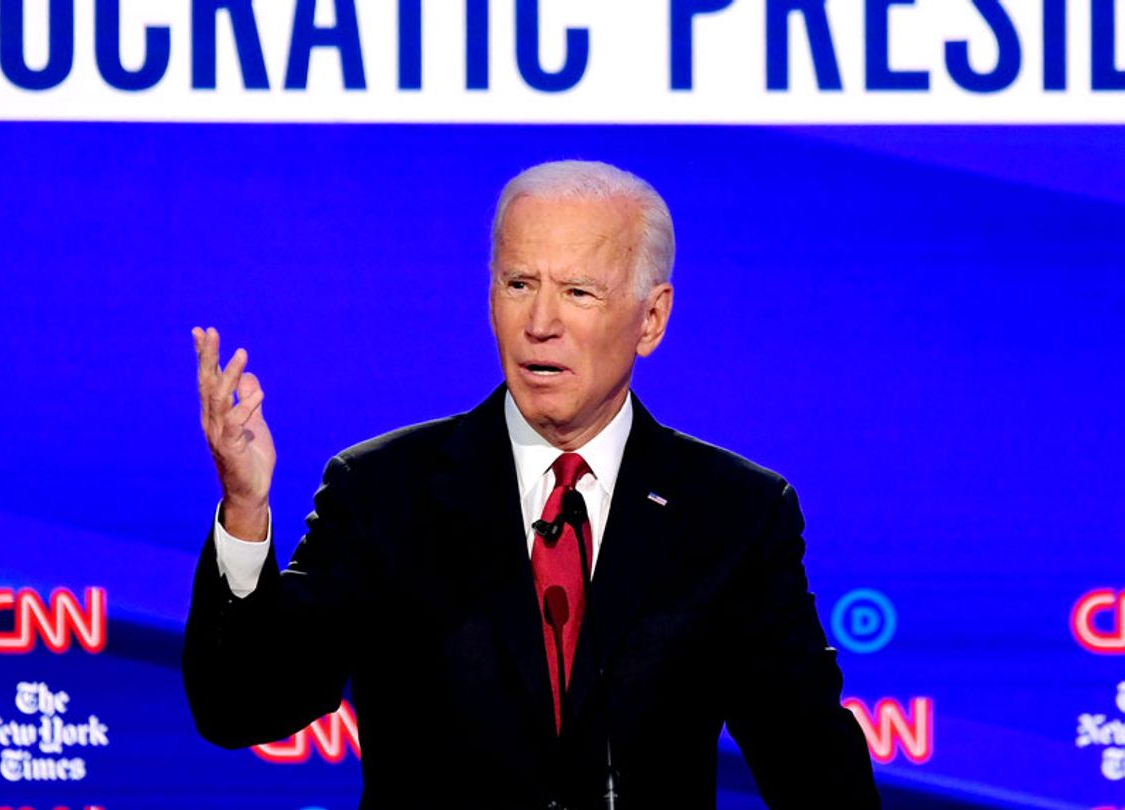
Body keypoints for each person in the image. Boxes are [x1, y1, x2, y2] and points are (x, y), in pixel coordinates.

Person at [183, 160, 880, 809]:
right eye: (519, 284)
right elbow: (242, 706)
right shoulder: (385, 492)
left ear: (653, 318)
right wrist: (245, 510)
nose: (540, 325)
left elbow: (816, 774)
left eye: (578, 293)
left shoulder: (733, 513)